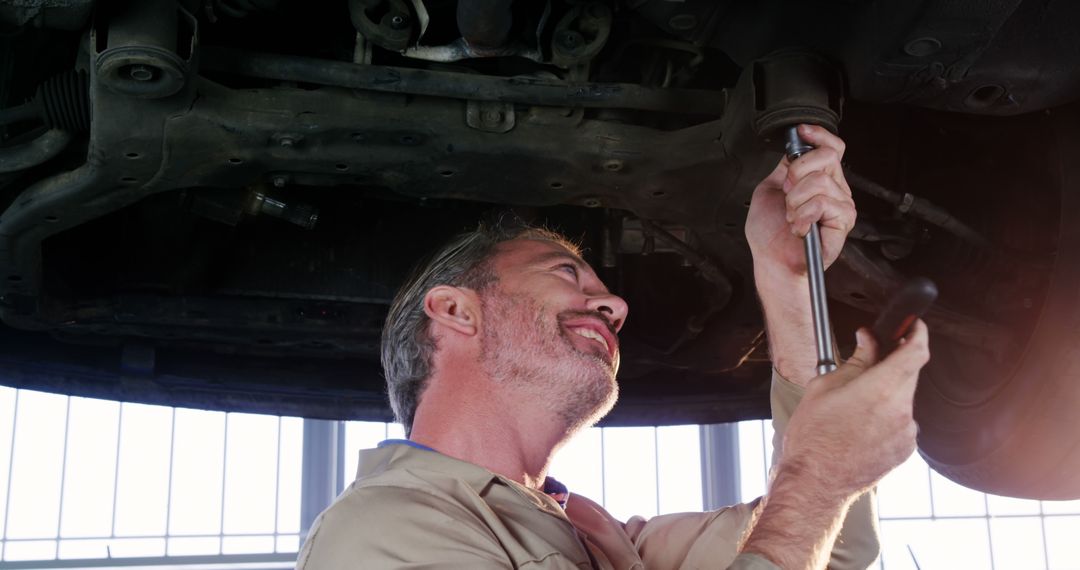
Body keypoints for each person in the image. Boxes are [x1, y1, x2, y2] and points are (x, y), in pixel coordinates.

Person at [296, 125, 930, 569]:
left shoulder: (599, 541)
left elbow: (827, 547)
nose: (617, 306)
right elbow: (810, 506)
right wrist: (816, 479)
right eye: (565, 272)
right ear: (457, 309)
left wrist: (785, 276)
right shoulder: (384, 529)